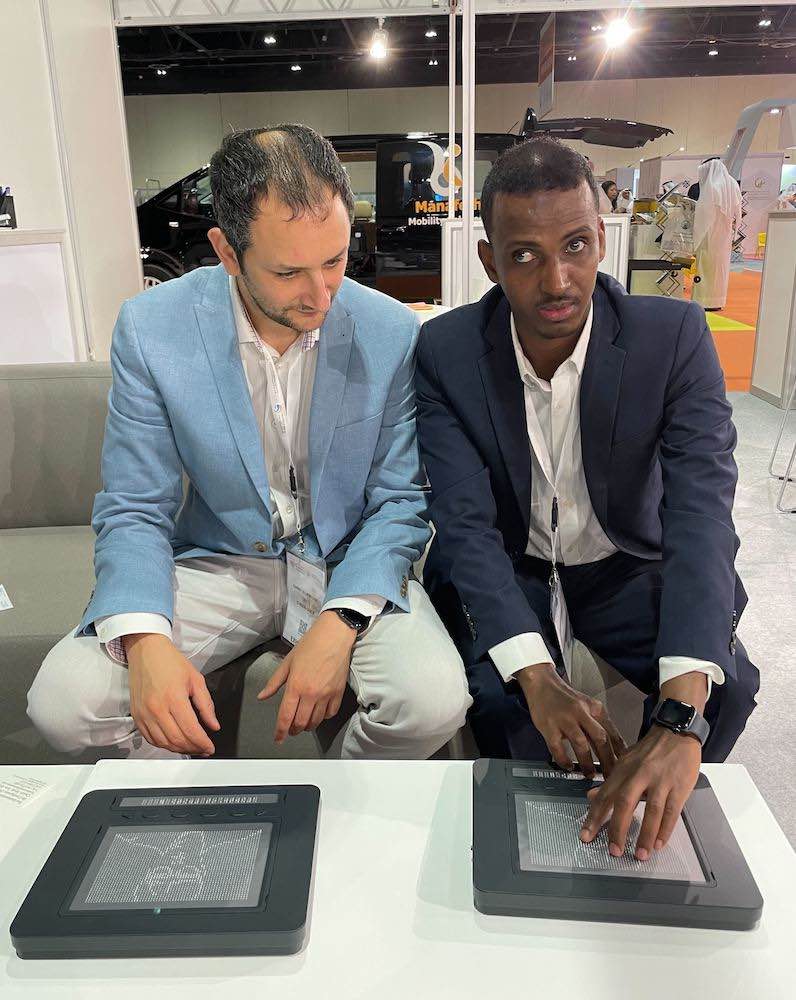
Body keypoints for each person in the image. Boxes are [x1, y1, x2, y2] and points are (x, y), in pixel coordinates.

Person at [27, 124, 470, 762]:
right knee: (65, 704)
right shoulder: (153, 329)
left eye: (337, 260)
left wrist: (343, 619)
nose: (322, 294)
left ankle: (338, 808)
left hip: (344, 558)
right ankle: (187, 819)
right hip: (219, 559)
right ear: (227, 252)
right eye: (289, 271)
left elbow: (400, 501)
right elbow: (134, 504)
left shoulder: (390, 330)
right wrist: (146, 642)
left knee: (431, 700)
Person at [416, 137, 759, 862]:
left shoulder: (672, 338)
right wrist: (537, 675)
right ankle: (531, 851)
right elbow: (465, 527)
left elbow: (701, 511)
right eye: (525, 256)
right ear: (490, 261)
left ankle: (654, 812)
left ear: (603, 237)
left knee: (729, 686)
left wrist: (676, 722)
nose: (557, 279)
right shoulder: (447, 351)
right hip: (511, 563)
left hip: (621, 561)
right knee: (502, 697)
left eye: (575, 244)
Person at [692, 158, 742, 311]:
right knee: (720, 269)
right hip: (724, 236)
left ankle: (703, 300)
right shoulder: (732, 184)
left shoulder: (712, 187)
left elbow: (704, 217)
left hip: (709, 236)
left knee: (705, 268)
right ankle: (718, 300)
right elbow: (738, 211)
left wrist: (695, 239)